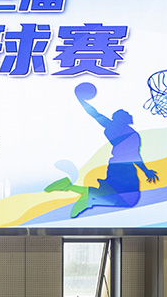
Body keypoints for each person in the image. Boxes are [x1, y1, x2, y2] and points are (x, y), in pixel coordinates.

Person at [44, 89, 159, 218]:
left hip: (115, 166)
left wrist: (81, 100)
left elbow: (95, 114)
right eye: (126, 113)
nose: (130, 115)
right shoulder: (130, 134)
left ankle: (72, 188)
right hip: (124, 168)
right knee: (127, 200)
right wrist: (145, 170)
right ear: (121, 118)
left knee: (112, 194)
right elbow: (134, 155)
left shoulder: (111, 127)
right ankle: (83, 194)